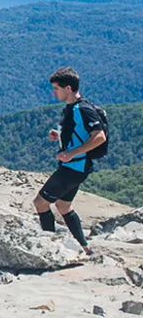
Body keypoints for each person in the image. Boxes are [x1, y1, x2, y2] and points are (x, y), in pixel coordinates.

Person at [34, 67, 106, 256]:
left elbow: (99, 137)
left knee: (40, 203)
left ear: (68, 88)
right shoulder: (72, 108)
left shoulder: (82, 109)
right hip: (76, 166)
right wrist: (59, 136)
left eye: (56, 88)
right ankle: (85, 247)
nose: (53, 92)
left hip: (74, 167)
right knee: (63, 206)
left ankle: (48, 248)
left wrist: (72, 152)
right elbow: (77, 133)